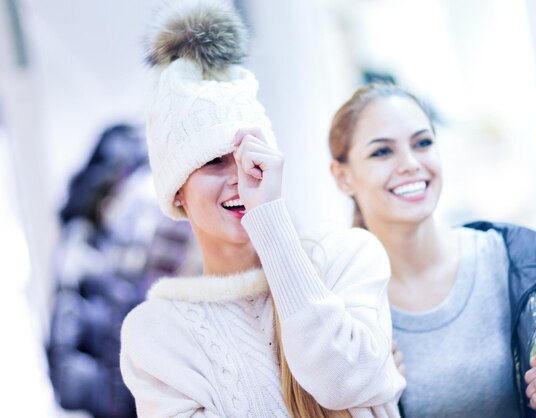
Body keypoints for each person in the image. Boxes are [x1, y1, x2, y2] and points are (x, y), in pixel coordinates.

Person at [119, 5, 405, 418]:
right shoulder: (155, 335)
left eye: (250, 156)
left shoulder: (347, 257)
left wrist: (269, 221)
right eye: (214, 161)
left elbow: (343, 382)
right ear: (176, 190)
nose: (241, 177)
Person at [328, 83, 536, 418]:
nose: (410, 163)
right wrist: (364, 402)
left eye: (423, 143)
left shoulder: (523, 262)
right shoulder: (338, 312)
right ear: (343, 176)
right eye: (382, 151)